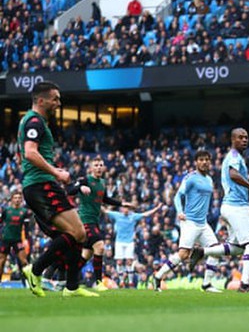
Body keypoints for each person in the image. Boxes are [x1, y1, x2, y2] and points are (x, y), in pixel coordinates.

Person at [17, 81, 98, 297]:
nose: (59, 103)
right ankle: (34, 269)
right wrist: (56, 172)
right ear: (41, 100)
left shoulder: (34, 121)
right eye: (55, 99)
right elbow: (30, 152)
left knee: (74, 234)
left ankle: (71, 287)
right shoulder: (34, 121)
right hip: (40, 185)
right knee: (78, 232)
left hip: (41, 184)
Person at [191, 128, 249, 292]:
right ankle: (244, 285)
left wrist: (248, 203)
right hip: (236, 207)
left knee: (237, 248)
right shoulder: (234, 157)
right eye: (240, 137)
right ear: (233, 140)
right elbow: (233, 175)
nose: (244, 140)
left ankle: (203, 252)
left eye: (246, 137)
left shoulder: (234, 157)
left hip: (232, 205)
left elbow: (232, 184)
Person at [154, 149, 223, 293]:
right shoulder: (191, 178)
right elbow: (177, 196)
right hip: (189, 222)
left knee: (216, 251)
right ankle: (158, 276)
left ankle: (206, 284)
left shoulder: (209, 179)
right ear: (196, 162)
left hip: (203, 223)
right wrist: (180, 212)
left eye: (207, 160)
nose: (204, 162)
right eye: (201, 160)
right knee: (183, 254)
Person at [69, 155, 133, 291]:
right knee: (100, 247)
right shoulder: (84, 180)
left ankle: (68, 279)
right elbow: (70, 191)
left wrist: (122, 204)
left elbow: (105, 199)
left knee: (86, 255)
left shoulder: (102, 183)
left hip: (94, 221)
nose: (99, 168)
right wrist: (80, 188)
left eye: (101, 165)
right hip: (85, 221)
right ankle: (98, 283)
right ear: (91, 168)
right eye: (96, 165)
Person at [106, 203, 161, 288]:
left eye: (127, 208)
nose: (126, 209)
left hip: (129, 242)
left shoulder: (133, 216)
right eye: (124, 207)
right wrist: (95, 203)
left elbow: (146, 214)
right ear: (122, 209)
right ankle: (121, 281)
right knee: (119, 262)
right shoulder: (117, 215)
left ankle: (131, 281)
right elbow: (105, 211)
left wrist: (156, 208)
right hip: (119, 242)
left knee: (129, 261)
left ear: (130, 209)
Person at [0, 189, 30, 282]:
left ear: (21, 200)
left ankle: (30, 283)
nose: (17, 200)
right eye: (15, 198)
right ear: (12, 199)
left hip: (17, 240)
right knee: (1, 262)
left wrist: (26, 239)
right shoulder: (6, 211)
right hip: (6, 239)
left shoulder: (25, 212)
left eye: (19, 198)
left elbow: (27, 228)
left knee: (24, 262)